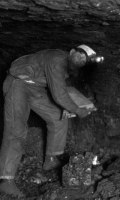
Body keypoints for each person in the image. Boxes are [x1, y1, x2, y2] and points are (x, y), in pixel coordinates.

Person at [0, 44, 103, 197]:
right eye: (80, 55)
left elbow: (61, 88)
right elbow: (59, 95)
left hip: (35, 89)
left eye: (85, 59)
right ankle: (6, 181)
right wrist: (79, 110)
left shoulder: (69, 67)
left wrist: (78, 103)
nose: (81, 59)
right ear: (72, 51)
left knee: (58, 116)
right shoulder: (56, 59)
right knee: (17, 130)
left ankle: (51, 158)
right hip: (18, 84)